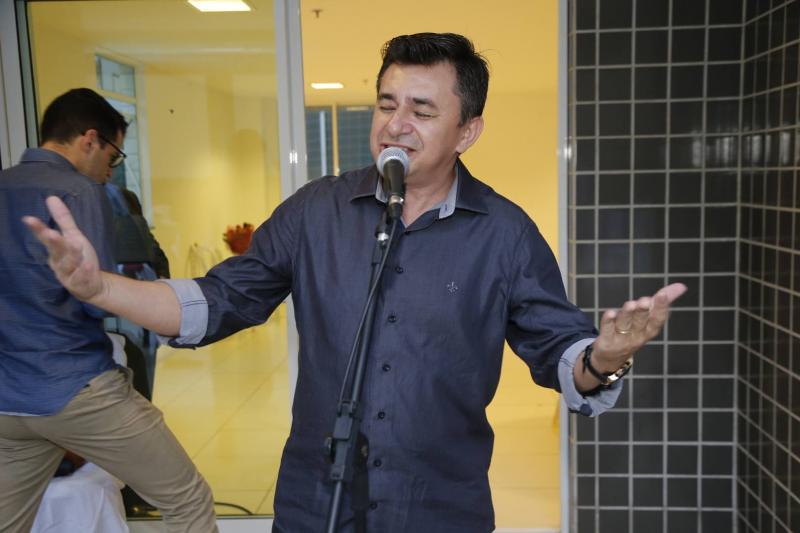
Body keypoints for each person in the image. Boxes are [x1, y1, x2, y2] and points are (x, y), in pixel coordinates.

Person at [25, 36, 686, 533]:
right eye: (387, 103)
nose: (396, 124)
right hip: (317, 501)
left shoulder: (506, 233)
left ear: (467, 131)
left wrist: (605, 355)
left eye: (422, 109)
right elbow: (216, 300)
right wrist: (99, 289)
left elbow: (562, 353)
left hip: (440, 506)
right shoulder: (316, 211)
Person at [0, 88, 217, 533]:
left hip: (8, 399)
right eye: (113, 156)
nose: (109, 170)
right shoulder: (80, 190)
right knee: (188, 500)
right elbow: (97, 298)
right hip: (74, 388)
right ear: (89, 140)